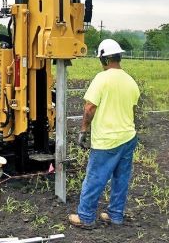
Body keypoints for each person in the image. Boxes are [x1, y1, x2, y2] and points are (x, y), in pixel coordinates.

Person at [68, 39, 140, 228]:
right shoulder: (130, 81)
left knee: (95, 178)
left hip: (107, 140)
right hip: (128, 137)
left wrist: (83, 130)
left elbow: (89, 107)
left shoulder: (102, 79)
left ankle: (85, 217)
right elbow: (132, 110)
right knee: (121, 178)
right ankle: (115, 215)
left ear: (104, 59)